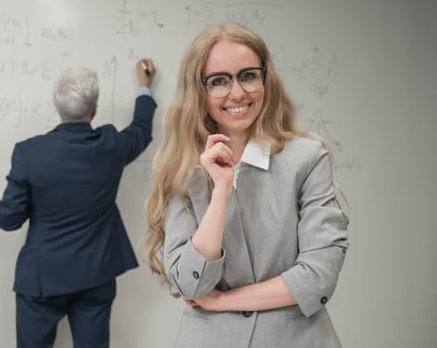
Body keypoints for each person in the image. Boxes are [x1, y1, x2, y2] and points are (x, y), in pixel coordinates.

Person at [144, 22, 349, 347]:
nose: (237, 93)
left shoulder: (308, 156)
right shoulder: (181, 168)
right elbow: (191, 285)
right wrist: (221, 190)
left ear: (265, 79)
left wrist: (224, 301)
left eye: (248, 75)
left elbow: (317, 277)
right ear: (199, 89)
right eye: (219, 81)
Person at [0, 59, 157, 348]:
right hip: (95, 275)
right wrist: (145, 87)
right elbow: (141, 130)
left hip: (42, 278)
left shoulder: (29, 153)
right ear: (93, 110)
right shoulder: (111, 146)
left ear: (58, 107)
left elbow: (8, 220)